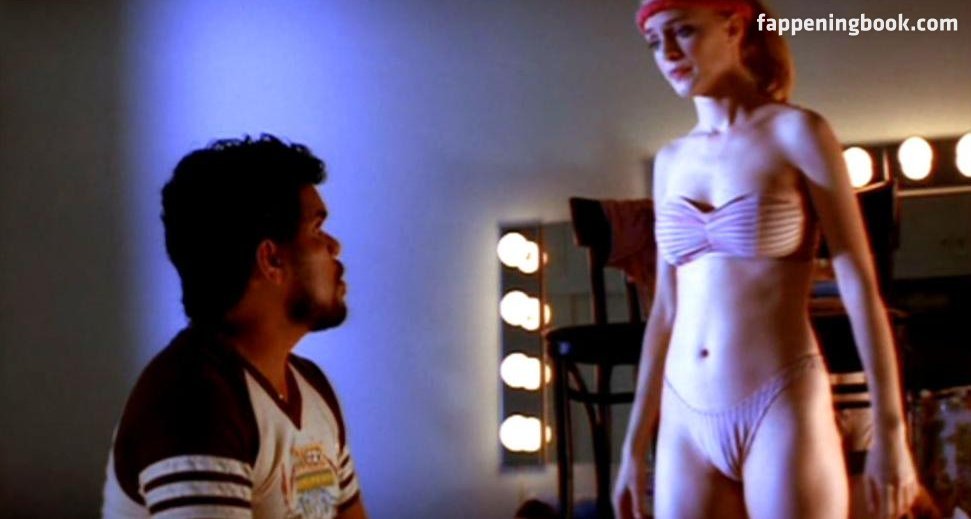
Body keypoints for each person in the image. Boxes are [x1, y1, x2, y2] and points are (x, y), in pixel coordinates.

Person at [612, 1, 918, 518]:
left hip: (779, 403)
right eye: (654, 42)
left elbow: (861, 290)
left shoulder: (798, 133)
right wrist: (633, 447)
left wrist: (892, 434)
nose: (667, 53)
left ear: (734, 27)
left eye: (683, 31)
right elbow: (664, 311)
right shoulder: (670, 161)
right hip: (684, 416)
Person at [101, 135, 368, 519]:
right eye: (316, 229)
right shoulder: (192, 398)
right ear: (271, 260)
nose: (334, 246)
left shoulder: (313, 389)